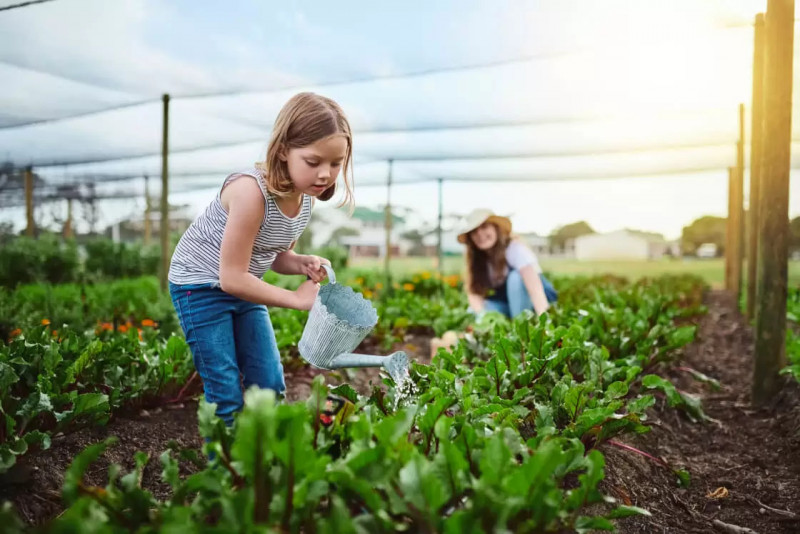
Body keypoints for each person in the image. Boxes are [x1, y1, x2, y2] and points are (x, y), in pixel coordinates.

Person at [168, 92, 354, 425]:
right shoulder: (250, 193)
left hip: (243, 288)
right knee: (225, 393)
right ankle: (229, 472)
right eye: (314, 162)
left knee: (268, 384)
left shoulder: (304, 200)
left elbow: (274, 256)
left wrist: (300, 263)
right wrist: (296, 299)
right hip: (200, 288)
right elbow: (231, 277)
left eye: (335, 163)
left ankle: (263, 459)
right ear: (283, 150)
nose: (325, 174)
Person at [457, 208, 557, 319]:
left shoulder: (514, 248)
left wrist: (544, 321)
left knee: (515, 277)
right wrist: (482, 317)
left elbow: (536, 290)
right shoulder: (478, 259)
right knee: (472, 311)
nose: (480, 234)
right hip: (510, 305)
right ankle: (510, 322)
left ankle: (520, 324)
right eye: (474, 231)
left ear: (496, 228)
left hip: (536, 303)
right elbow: (474, 294)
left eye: (484, 227)